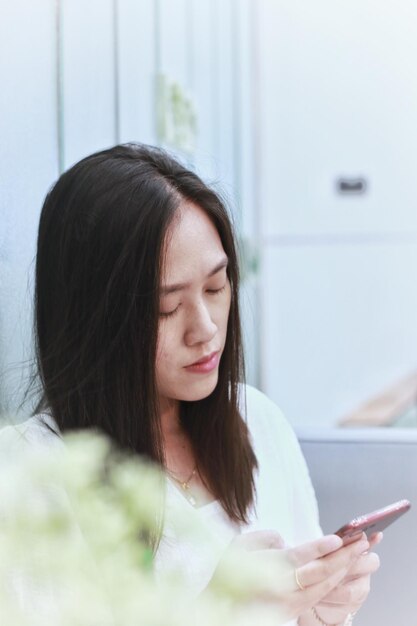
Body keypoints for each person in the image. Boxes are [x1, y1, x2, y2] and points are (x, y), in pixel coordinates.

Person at [7, 144, 380, 625]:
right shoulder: (32, 474)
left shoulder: (256, 419)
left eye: (215, 287)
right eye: (165, 307)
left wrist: (322, 611)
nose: (204, 328)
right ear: (92, 318)